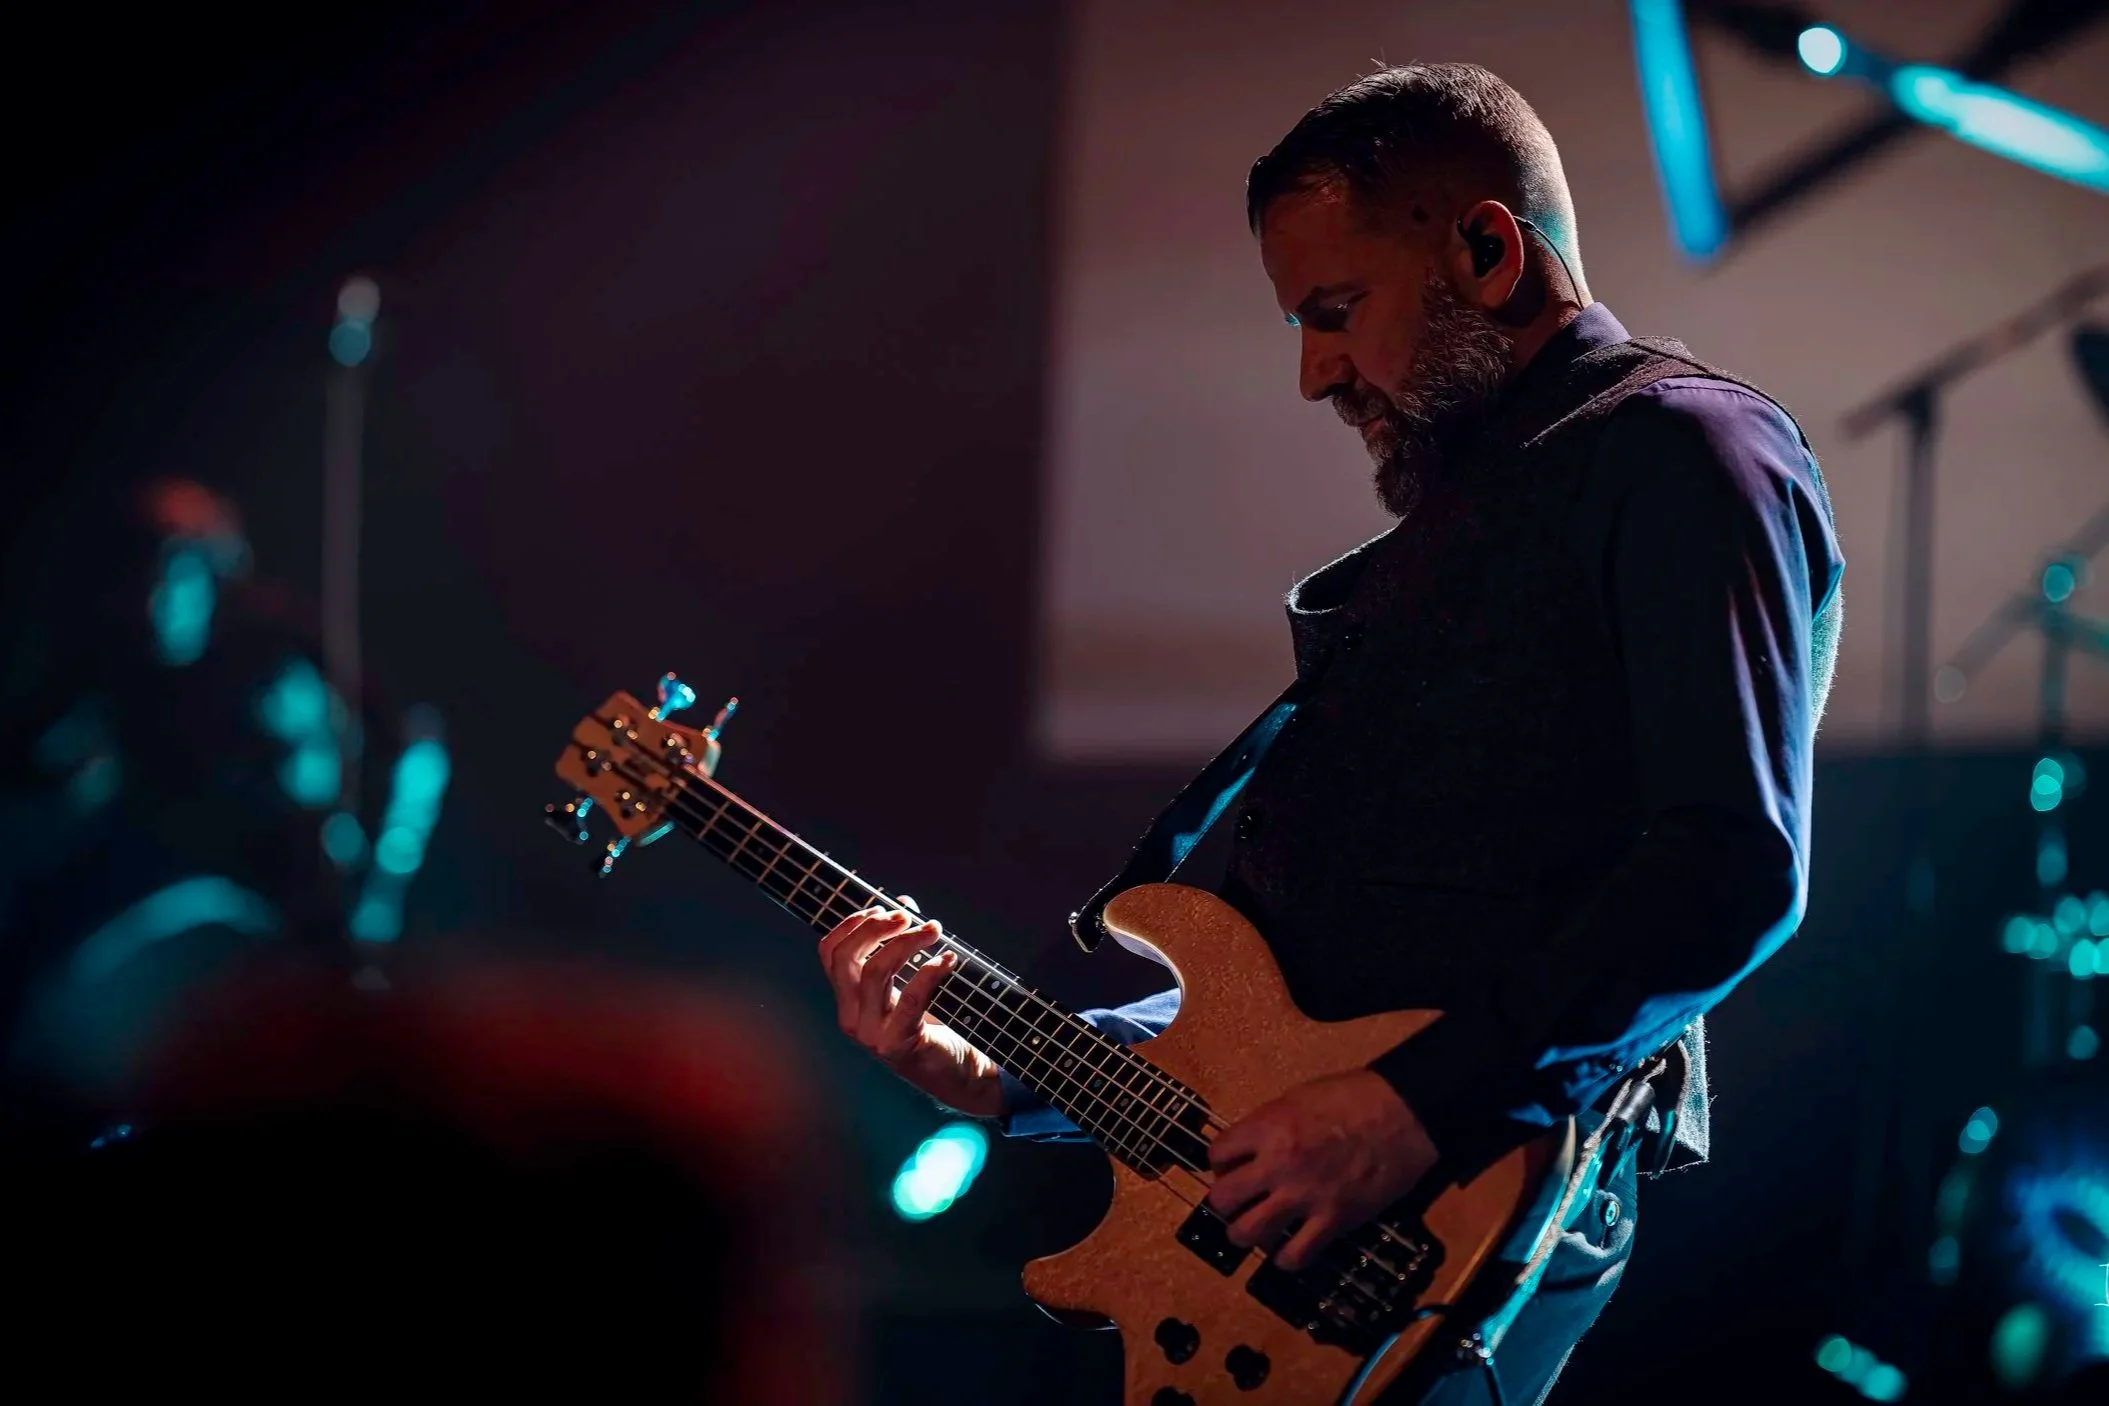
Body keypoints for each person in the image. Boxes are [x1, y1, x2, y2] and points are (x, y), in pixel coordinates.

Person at [816, 62, 1843, 1404]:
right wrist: (1004, 1076)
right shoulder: (1447, 537)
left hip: (1467, 1219)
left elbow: (1730, 863)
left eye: (1336, 312)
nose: (1313, 374)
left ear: (1486, 248)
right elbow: (1285, 1033)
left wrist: (1410, 1107)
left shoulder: (1687, 452)